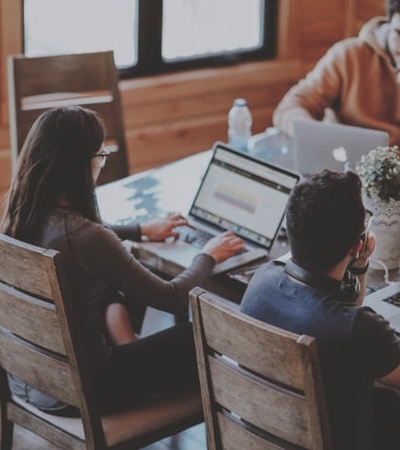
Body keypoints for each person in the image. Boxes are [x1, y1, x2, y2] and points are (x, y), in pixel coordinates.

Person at [0, 105, 245, 416]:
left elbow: (79, 238)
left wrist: (140, 230)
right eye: (100, 156)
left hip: (29, 382)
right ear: (81, 164)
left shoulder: (19, 217)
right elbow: (170, 298)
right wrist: (208, 255)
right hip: (88, 391)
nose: (102, 164)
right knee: (199, 334)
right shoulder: (86, 237)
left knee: (110, 289)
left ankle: (131, 347)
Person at [240, 169, 400, 450]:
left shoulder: (261, 281)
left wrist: (358, 265)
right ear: (357, 244)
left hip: (267, 433)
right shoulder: (358, 328)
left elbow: (336, 313)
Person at [273, 0, 400, 145]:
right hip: (342, 161)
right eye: (398, 33)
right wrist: (313, 136)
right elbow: (292, 106)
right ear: (389, 24)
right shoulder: (348, 56)